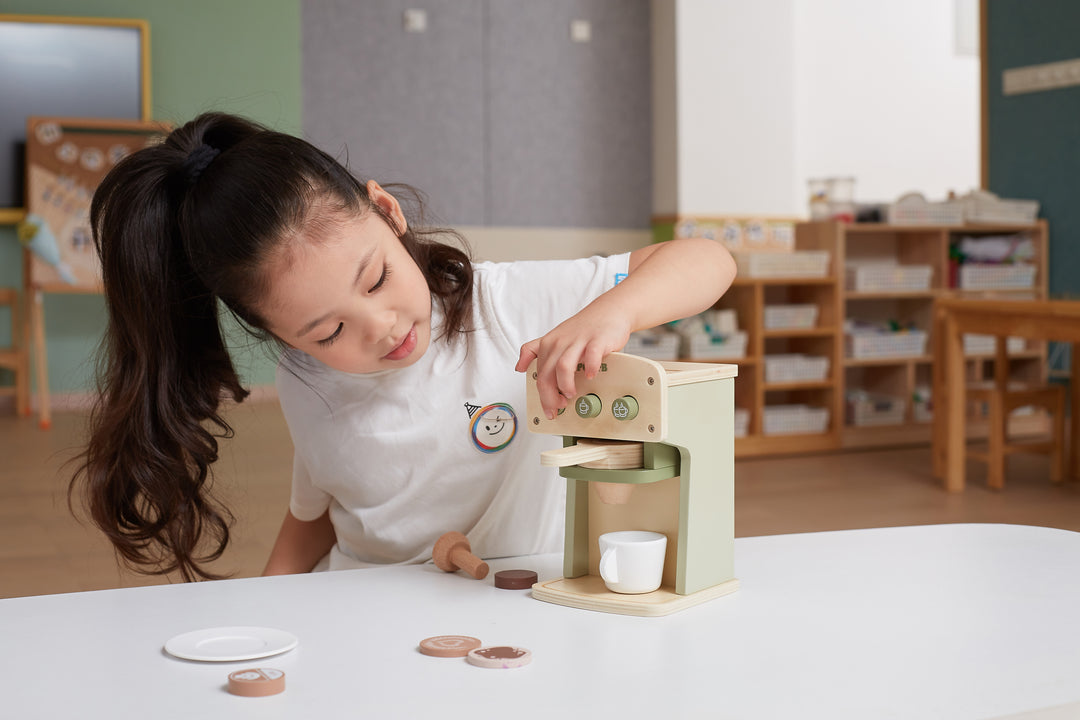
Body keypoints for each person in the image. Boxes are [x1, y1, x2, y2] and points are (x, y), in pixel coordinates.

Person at [72, 112, 737, 581]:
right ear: (277, 335)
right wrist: (267, 605)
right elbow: (323, 507)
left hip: (510, 607)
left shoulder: (506, 305)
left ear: (389, 214)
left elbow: (707, 260)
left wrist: (611, 314)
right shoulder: (304, 377)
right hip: (369, 613)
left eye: (379, 277)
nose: (380, 326)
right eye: (328, 331)